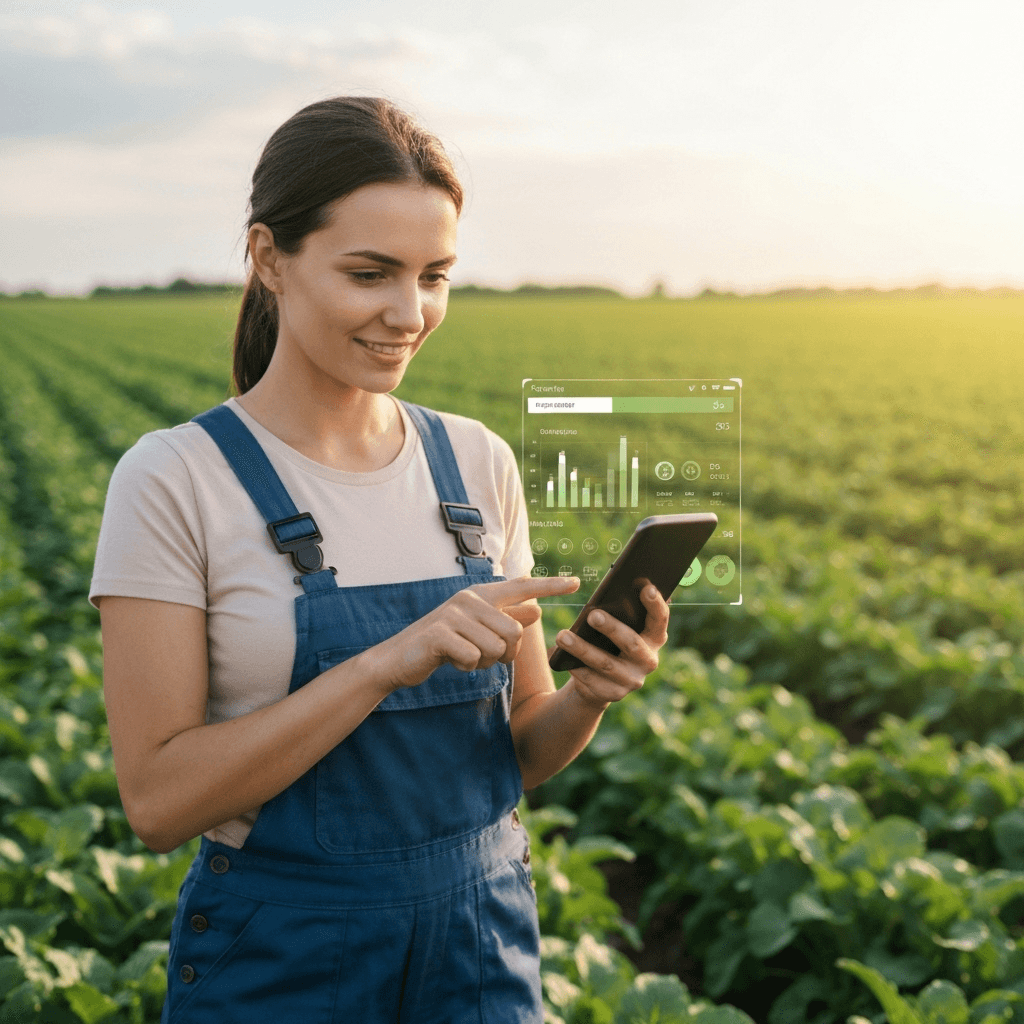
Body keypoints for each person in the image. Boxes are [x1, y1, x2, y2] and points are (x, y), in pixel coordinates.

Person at [90, 96, 670, 1023]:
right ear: (269, 258)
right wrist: (385, 665)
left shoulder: (477, 462)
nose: (410, 313)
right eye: (371, 274)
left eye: (435, 276)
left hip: (481, 943)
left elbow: (515, 753)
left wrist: (588, 697)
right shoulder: (176, 479)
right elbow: (158, 804)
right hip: (284, 956)